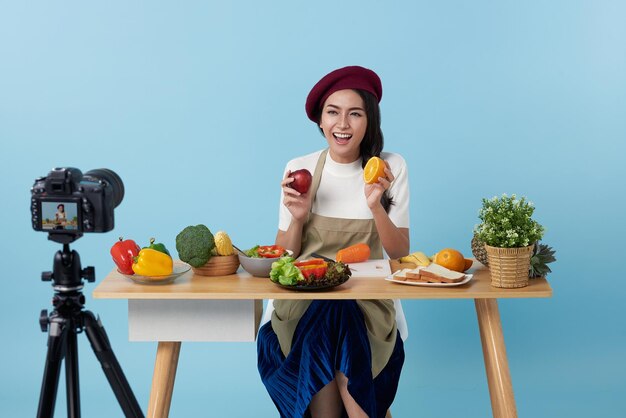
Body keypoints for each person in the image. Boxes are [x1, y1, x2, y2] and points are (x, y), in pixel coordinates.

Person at [257, 66, 410, 418]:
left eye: (354, 113)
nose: (343, 124)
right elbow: (285, 256)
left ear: (369, 120)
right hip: (303, 301)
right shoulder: (301, 167)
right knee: (329, 311)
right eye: (333, 113)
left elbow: (400, 252)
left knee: (339, 312)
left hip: (367, 302)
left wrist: (376, 206)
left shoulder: (390, 167)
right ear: (321, 122)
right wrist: (298, 217)